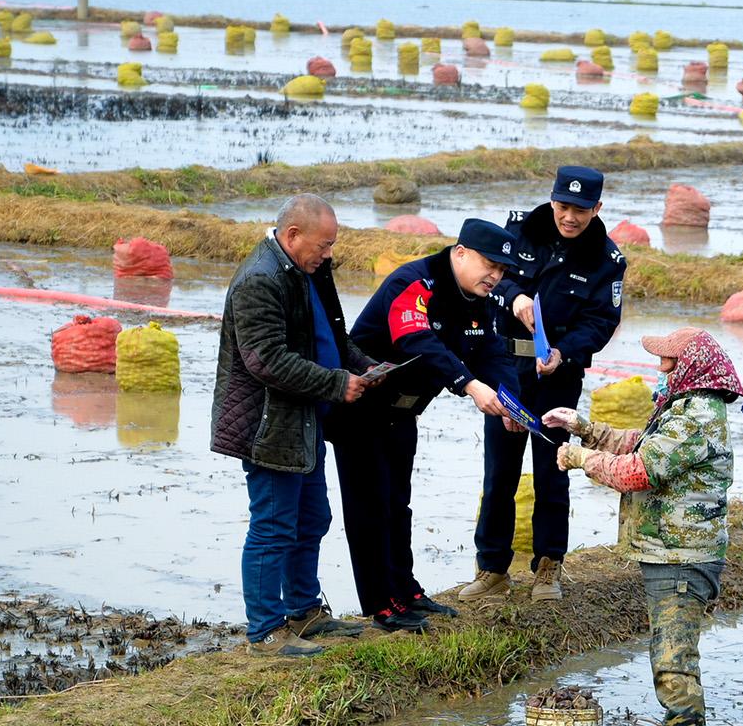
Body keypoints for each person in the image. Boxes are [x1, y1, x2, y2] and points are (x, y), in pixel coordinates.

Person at [544, 327, 743, 726]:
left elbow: (637, 471)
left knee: (673, 661)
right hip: (671, 552)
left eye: (666, 362)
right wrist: (584, 428)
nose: (660, 369)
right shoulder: (684, 408)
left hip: (682, 559)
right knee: (669, 652)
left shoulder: (696, 418)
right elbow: (643, 443)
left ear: (689, 367)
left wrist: (581, 458)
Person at [334, 220, 522, 633]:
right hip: (361, 408)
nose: (495, 276)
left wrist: (512, 402)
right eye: (489, 265)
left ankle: (406, 590)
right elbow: (416, 340)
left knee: (398, 503)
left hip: (403, 411)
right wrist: (469, 384)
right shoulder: (415, 282)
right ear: (460, 253)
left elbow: (492, 351)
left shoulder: (479, 298)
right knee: (370, 507)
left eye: (502, 270)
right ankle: (381, 604)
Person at [211, 193, 375, 658]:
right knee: (273, 526)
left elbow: (331, 338)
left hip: (307, 419)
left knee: (312, 518)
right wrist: (337, 384)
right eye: (324, 245)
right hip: (271, 426)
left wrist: (365, 366)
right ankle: (265, 631)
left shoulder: (307, 270)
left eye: (332, 244)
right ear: (293, 234)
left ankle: (304, 611)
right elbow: (266, 360)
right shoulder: (259, 280)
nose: (329, 254)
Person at [466, 165, 626, 603]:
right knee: (499, 472)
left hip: (557, 376)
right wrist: (513, 295)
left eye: (580, 210)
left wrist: (563, 352)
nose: (569, 217)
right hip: (505, 369)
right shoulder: (521, 230)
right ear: (552, 199)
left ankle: (548, 567)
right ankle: (492, 569)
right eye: (563, 206)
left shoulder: (606, 259)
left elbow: (601, 322)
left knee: (552, 473)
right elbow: (490, 276)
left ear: (597, 208)